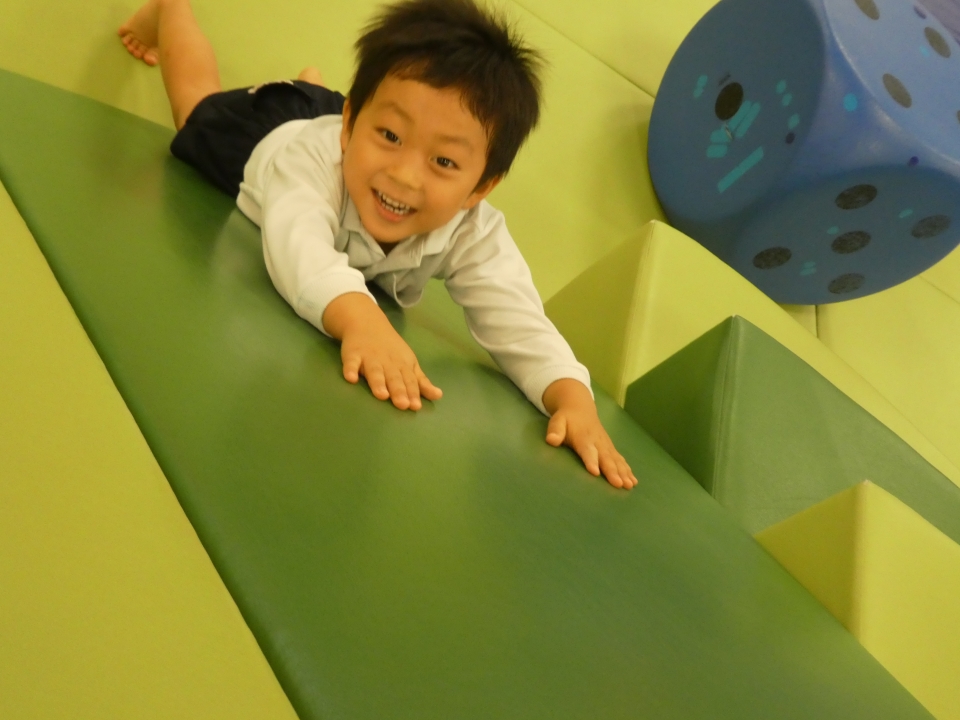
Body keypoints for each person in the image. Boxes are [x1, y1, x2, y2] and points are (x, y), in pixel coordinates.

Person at [118, 0, 637, 489]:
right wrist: (361, 319)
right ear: (351, 126)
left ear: (480, 188)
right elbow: (298, 243)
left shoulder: (472, 228)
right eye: (391, 137)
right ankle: (171, 10)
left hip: (342, 119)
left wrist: (571, 397)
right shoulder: (309, 166)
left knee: (352, 120)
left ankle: (319, 92)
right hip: (265, 136)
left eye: (444, 162)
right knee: (193, 104)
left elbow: (517, 316)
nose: (405, 175)